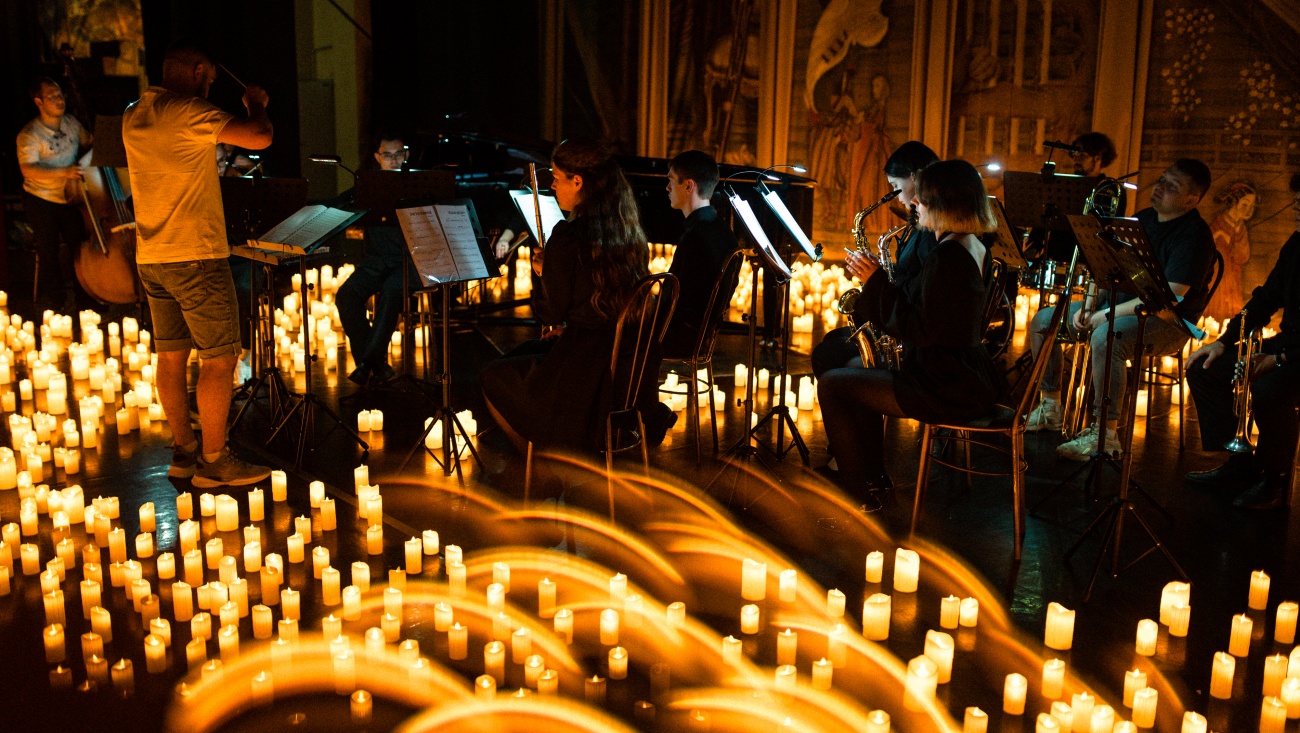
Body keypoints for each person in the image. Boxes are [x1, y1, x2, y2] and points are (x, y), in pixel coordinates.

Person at [122, 39, 273, 487]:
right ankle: (215, 460)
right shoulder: (187, 111)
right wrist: (256, 104)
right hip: (197, 257)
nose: (209, 88)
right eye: (207, 79)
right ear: (197, 70)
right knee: (220, 359)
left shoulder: (135, 113)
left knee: (170, 358)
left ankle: (184, 453)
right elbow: (259, 138)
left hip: (153, 256)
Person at [817, 159, 1003, 498]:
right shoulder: (972, 245)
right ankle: (872, 477)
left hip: (942, 385)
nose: (914, 202)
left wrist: (874, 281)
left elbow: (917, 328)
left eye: (923, 197)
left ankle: (857, 495)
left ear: (943, 202)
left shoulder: (948, 257)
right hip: (964, 374)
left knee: (832, 385)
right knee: (856, 369)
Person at [1026, 159, 1216, 460]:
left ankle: (1105, 433)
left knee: (1107, 336)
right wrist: (1089, 306)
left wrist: (1106, 315)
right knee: (1044, 320)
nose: (1160, 187)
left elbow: (1171, 297)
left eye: (1172, 186)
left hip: (1167, 321)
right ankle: (1050, 406)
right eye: (1162, 179)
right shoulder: (1142, 219)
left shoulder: (1195, 236)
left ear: (1192, 198)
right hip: (1115, 306)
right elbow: (1108, 269)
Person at [481, 139, 652, 454]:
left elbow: (550, 313)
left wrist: (544, 272)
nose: (553, 186)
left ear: (578, 181)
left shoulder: (567, 237)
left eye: (557, 179)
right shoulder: (629, 233)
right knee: (517, 358)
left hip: (583, 369)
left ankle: (545, 457)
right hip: (625, 361)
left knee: (495, 374)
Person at [1185, 173, 1300, 510]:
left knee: (1271, 389)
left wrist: (1278, 361)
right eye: (1297, 201)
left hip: (1296, 354)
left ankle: (1274, 482)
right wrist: (1225, 341)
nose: (1297, 208)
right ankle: (1240, 464)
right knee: (1206, 367)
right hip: (1290, 343)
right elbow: (1266, 298)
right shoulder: (1296, 244)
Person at [812, 141, 939, 378]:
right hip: (902, 324)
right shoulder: (920, 226)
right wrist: (879, 270)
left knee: (828, 355)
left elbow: (918, 292)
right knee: (831, 341)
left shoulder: (931, 233)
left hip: (912, 346)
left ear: (914, 177)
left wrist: (877, 278)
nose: (896, 196)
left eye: (895, 185)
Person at [335, 130, 413, 386]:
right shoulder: (366, 186)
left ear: (406, 155)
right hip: (374, 262)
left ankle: (368, 364)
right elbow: (337, 206)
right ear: (377, 157)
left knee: (392, 290)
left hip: (407, 263)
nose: (394, 160)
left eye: (399, 154)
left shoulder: (417, 186)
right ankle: (375, 364)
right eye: (387, 155)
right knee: (346, 295)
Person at [16, 76, 93, 312]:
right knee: (48, 251)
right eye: (52, 96)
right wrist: (64, 171)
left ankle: (86, 298)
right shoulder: (30, 134)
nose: (59, 100)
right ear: (39, 101)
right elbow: (27, 168)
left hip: (70, 197)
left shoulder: (71, 124)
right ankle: (56, 304)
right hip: (41, 200)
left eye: (60, 95)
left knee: (78, 247)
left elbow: (89, 144)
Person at [660, 149, 738, 357]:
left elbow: (674, 300)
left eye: (671, 181)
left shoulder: (696, 236)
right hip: (702, 337)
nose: (667, 187)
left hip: (678, 337)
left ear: (688, 185)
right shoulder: (724, 232)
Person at [1205, 182, 1257, 322]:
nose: (1248, 210)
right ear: (1234, 202)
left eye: (1252, 206)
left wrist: (1235, 241)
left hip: (1233, 278)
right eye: (1245, 204)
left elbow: (1243, 257)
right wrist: (1220, 237)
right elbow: (1207, 248)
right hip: (1217, 276)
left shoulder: (1241, 227)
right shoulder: (1220, 222)